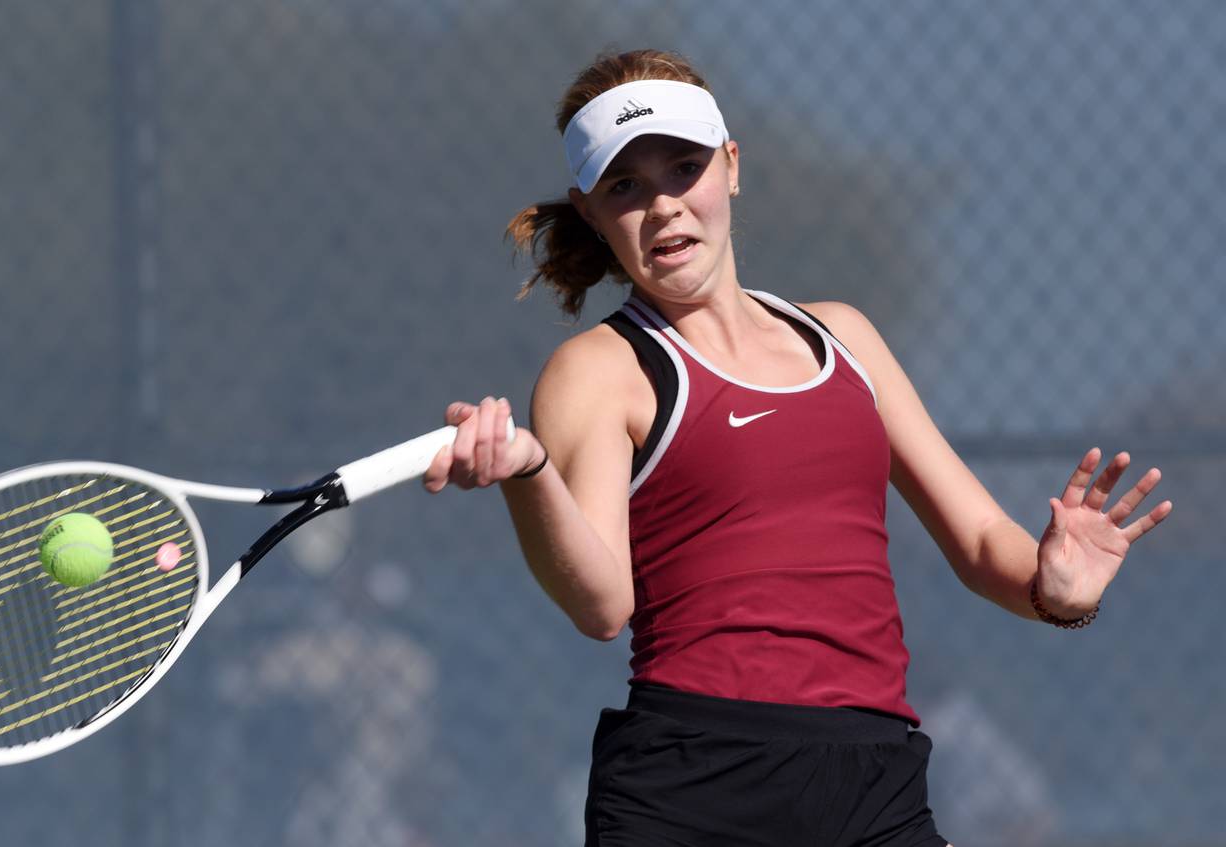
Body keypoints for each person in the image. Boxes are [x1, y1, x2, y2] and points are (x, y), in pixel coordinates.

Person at [422, 49, 1172, 847]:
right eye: (625, 186)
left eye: (684, 167)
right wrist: (529, 475)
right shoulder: (597, 371)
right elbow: (600, 604)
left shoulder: (846, 337)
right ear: (592, 211)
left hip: (875, 783)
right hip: (692, 786)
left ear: (732, 167)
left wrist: (1058, 591)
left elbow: (986, 543)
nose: (664, 206)